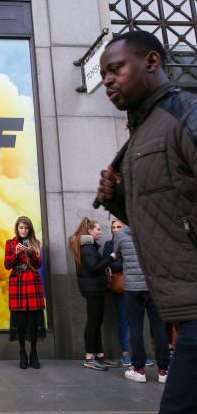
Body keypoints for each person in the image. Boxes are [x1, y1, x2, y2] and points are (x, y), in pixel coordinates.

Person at [96, 30, 197, 413]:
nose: (107, 79)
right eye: (104, 72)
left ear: (152, 63)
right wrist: (119, 201)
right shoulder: (142, 131)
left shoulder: (184, 114)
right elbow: (167, 214)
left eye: (116, 69)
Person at [113, 225, 170, 383]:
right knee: (158, 326)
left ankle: (139, 369)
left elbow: (117, 256)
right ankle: (164, 371)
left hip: (132, 288)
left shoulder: (121, 234)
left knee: (135, 327)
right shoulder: (155, 230)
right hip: (153, 286)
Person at [68, 217, 120, 371]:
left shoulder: (89, 247)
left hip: (95, 288)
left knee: (96, 321)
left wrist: (105, 266)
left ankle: (100, 355)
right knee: (93, 322)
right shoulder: (87, 247)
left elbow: (95, 267)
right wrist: (110, 258)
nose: (100, 232)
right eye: (98, 229)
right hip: (92, 289)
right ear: (89, 231)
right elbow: (93, 267)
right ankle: (89, 357)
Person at [4, 216, 46, 369]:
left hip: (33, 282)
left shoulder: (35, 243)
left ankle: (34, 353)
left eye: (26, 228)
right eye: (21, 227)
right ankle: (22, 353)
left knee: (33, 322)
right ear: (17, 228)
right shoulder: (10, 243)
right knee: (20, 322)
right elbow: (7, 265)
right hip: (18, 283)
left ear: (30, 229)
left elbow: (38, 264)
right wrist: (16, 253)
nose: (23, 230)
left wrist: (30, 253)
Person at [101, 219, 130, 366]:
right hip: (119, 285)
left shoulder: (132, 242)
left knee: (136, 319)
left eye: (119, 226)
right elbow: (110, 263)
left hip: (135, 285)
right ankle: (125, 353)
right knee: (123, 318)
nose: (116, 229)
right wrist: (125, 264)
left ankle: (139, 354)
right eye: (113, 227)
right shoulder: (109, 245)